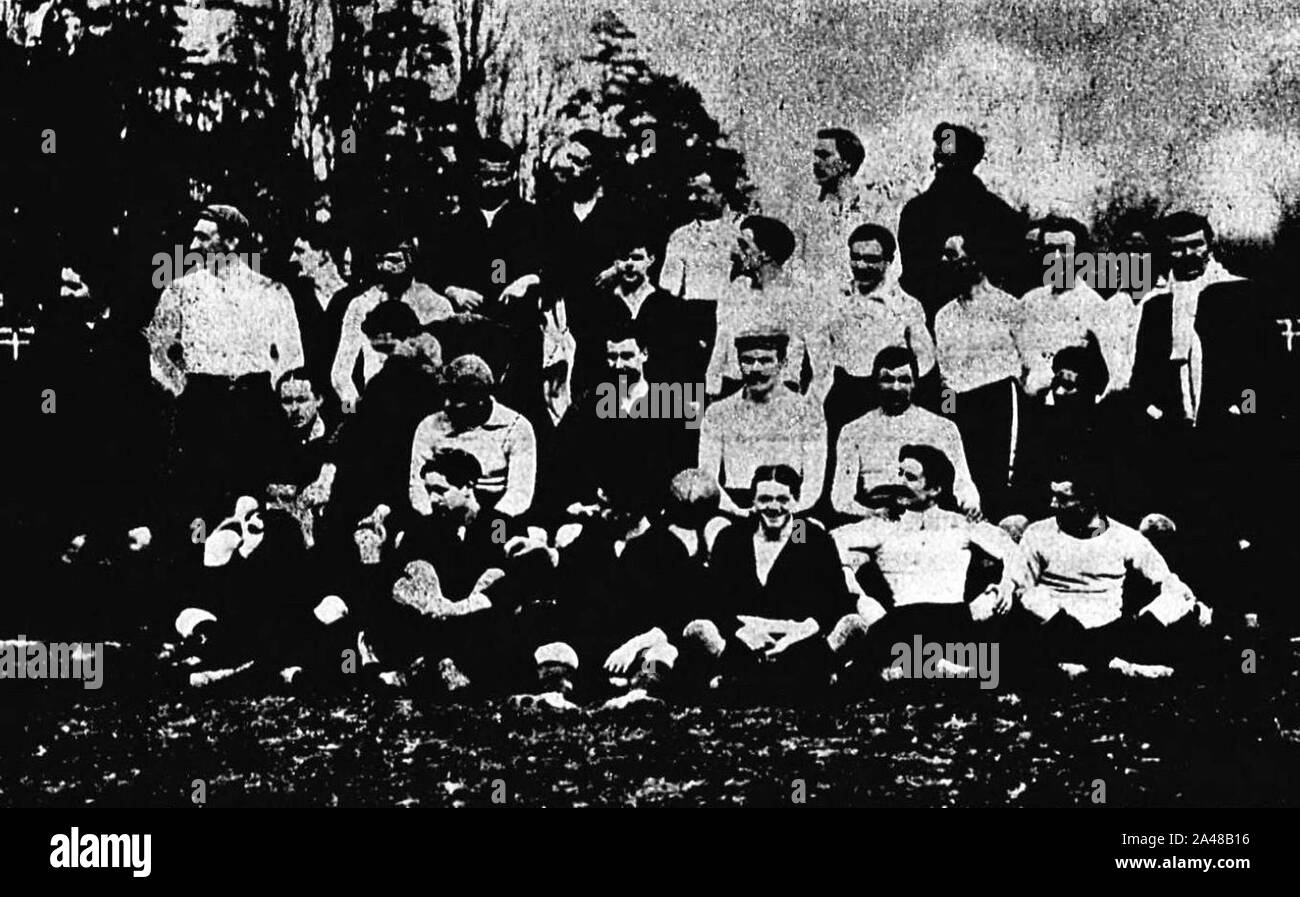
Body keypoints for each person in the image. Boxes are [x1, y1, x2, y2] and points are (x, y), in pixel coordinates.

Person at [145, 204, 305, 519]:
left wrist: (266, 397)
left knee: (253, 508)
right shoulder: (180, 291)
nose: (192, 247)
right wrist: (183, 392)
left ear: (231, 242)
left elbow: (291, 356)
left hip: (255, 409)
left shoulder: (270, 291)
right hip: (202, 409)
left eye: (203, 238)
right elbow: (158, 352)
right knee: (200, 505)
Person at [1006, 462, 1210, 677]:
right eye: (1053, 495)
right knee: (1029, 596)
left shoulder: (1125, 537)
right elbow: (1021, 587)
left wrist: (1181, 597)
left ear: (1090, 499)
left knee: (1177, 599)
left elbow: (1165, 579)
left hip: (1112, 630)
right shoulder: (1038, 533)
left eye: (1063, 499)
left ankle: (1091, 662)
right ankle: (1106, 662)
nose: (1053, 504)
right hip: (1057, 626)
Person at [829, 445, 1016, 678]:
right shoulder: (884, 526)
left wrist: (1006, 586)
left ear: (936, 489)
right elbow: (829, 543)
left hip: (953, 620)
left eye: (910, 477)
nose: (899, 482)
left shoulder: (960, 525)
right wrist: (854, 586)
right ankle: (938, 670)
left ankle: (903, 670)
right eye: (899, 474)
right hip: (901, 620)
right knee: (901, 621)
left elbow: (1011, 549)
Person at [680, 465, 852, 699]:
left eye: (782, 499)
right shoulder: (733, 538)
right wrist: (743, 631)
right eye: (765, 499)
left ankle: (749, 682)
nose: (773, 507)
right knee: (698, 630)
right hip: (746, 641)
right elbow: (712, 601)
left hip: (799, 639)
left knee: (853, 625)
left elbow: (837, 600)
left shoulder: (810, 537)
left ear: (796, 501)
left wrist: (801, 631)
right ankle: (779, 680)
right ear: (753, 501)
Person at [547, 325, 695, 523]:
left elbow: (683, 470)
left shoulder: (671, 406)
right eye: (612, 357)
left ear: (644, 354)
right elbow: (564, 459)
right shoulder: (589, 405)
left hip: (655, 518)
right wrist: (578, 504)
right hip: (598, 515)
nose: (618, 365)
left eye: (626, 356)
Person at [932, 232, 1028, 519]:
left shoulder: (1009, 307)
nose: (944, 261)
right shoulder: (944, 316)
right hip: (961, 407)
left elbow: (1027, 363)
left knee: (998, 483)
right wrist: (949, 415)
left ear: (973, 259)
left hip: (1000, 402)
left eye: (951, 254)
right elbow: (945, 377)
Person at [898, 122, 1024, 322]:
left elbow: (1009, 272)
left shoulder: (995, 212)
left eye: (948, 152)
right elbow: (913, 275)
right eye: (938, 149)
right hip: (929, 315)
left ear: (968, 160)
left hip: (984, 318)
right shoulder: (917, 212)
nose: (939, 157)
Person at [832, 347, 979, 518]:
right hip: (874, 522)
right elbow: (840, 499)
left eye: (904, 380)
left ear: (915, 383)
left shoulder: (943, 428)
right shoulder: (853, 431)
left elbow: (963, 483)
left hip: (929, 522)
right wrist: (873, 514)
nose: (895, 388)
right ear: (875, 382)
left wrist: (970, 504)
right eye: (887, 379)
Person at [819, 223, 937, 429]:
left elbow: (925, 362)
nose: (861, 266)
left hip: (887, 394)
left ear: (888, 261)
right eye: (855, 258)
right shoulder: (836, 300)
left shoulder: (905, 306)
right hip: (843, 392)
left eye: (871, 260)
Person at [698, 328, 827, 515]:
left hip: (791, 508)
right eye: (748, 361)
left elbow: (813, 482)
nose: (756, 369)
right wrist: (737, 511)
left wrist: (792, 510)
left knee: (803, 539)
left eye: (766, 361)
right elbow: (709, 479)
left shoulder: (808, 413)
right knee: (719, 537)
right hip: (735, 508)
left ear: (783, 363)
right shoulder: (718, 412)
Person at [330, 235, 453, 410]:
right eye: (380, 260)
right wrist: (355, 413)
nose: (386, 267)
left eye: (395, 260)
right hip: (378, 412)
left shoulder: (437, 306)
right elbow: (340, 374)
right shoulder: (361, 305)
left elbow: (450, 367)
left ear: (411, 258)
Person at [408, 355, 537, 520]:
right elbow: (417, 485)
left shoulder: (516, 427)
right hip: (441, 511)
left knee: (499, 541)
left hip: (498, 517)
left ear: (480, 400)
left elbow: (519, 493)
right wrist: (431, 519)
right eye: (447, 395)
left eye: (456, 398)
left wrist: (486, 525)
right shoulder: (429, 426)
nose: (447, 404)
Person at [707, 215, 821, 401]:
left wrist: (787, 387)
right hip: (733, 384)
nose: (737, 252)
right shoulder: (737, 289)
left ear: (765, 254)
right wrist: (713, 384)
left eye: (745, 246)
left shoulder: (794, 294)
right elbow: (722, 339)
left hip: (773, 386)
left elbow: (796, 347)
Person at [1016, 216, 1116, 398]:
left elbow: (1110, 375)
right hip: (1031, 409)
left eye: (1064, 250)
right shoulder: (1029, 302)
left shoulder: (1094, 306)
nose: (1055, 257)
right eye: (1049, 250)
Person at [658, 169, 741, 303]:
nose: (692, 198)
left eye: (700, 192)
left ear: (723, 194)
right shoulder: (681, 236)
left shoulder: (742, 232)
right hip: (694, 314)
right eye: (690, 192)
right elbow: (669, 288)